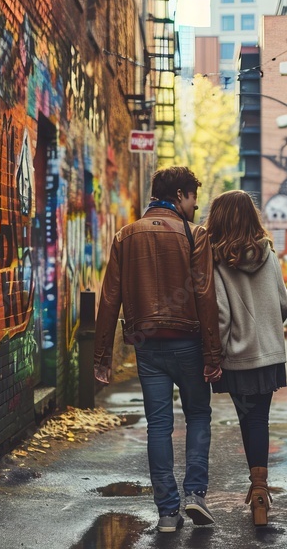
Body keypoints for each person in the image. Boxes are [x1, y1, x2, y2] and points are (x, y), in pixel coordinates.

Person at [93, 166, 223, 533]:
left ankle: (168, 512)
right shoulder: (194, 234)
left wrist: (102, 356)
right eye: (194, 198)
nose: (196, 207)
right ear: (180, 195)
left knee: (159, 427)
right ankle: (195, 494)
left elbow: (108, 300)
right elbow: (205, 296)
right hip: (190, 343)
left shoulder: (125, 235)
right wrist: (213, 355)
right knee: (198, 416)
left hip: (148, 348)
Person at [205, 190, 287, 526]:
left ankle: (257, 493)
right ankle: (260, 491)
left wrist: (217, 353)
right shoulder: (267, 253)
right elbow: (283, 303)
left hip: (238, 357)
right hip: (268, 356)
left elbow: (222, 314)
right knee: (260, 420)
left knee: (248, 420)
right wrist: (268, 330)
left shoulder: (216, 258)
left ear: (219, 218)